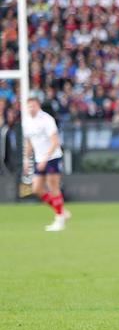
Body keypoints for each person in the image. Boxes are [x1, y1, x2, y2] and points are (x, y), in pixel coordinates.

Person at [22, 97, 70, 231]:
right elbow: (29, 142)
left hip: (52, 157)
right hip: (39, 159)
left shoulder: (47, 120)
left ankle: (59, 220)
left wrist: (45, 159)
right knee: (36, 189)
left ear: (38, 106)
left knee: (53, 186)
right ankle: (60, 209)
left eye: (33, 106)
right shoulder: (26, 122)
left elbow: (55, 142)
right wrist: (26, 160)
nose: (31, 108)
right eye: (29, 106)